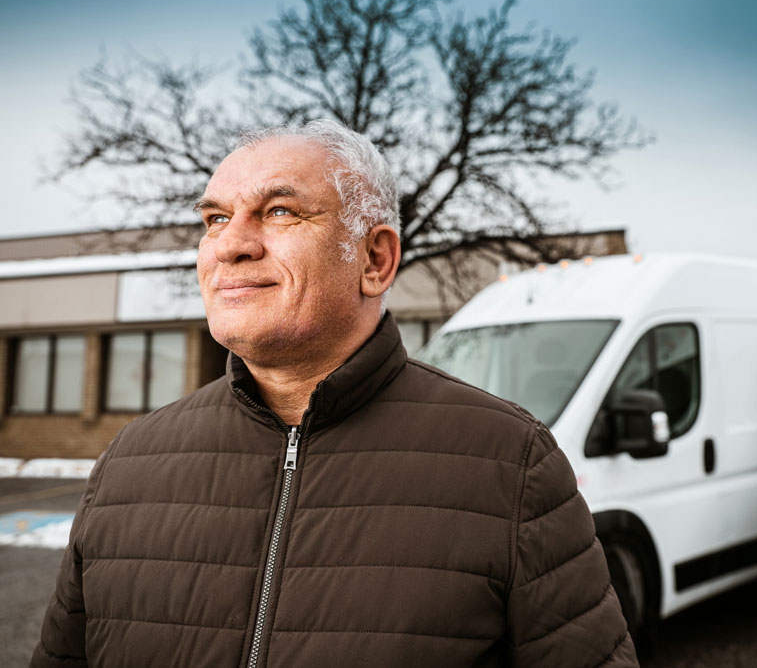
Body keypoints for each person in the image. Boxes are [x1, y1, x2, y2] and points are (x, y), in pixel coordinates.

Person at [32, 120, 638, 667]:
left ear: (374, 260)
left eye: (279, 213)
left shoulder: (511, 463)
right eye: (215, 218)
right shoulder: (129, 462)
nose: (230, 245)